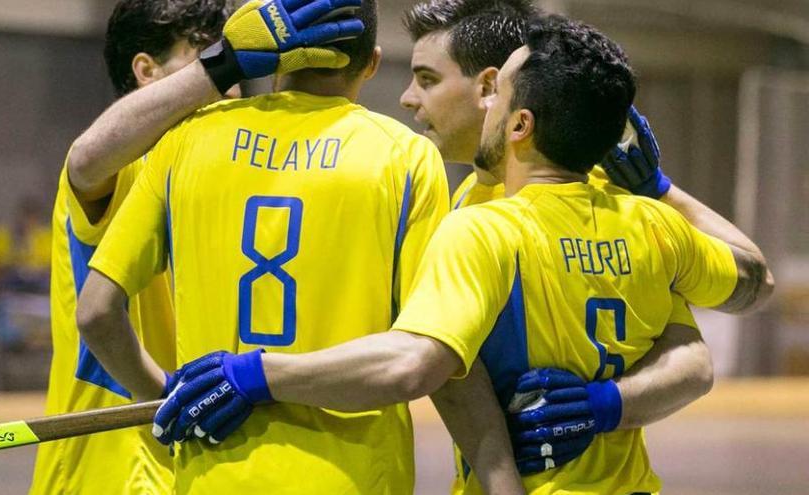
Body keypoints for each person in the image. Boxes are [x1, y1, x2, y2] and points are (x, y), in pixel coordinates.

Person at [148, 12, 773, 495]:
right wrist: (661, 190)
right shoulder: (649, 221)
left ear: (513, 113)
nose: (408, 100)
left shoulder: (481, 227)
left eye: (427, 79)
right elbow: (749, 284)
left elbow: (416, 363)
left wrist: (254, 373)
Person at [75, 0, 468, 493]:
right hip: (354, 477)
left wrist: (169, 398)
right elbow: (416, 358)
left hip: (210, 475)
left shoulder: (186, 140)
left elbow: (95, 312)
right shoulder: (405, 158)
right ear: (371, 63)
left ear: (275, 56)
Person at [398, 0, 768, 487]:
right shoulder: (468, 200)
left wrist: (605, 405)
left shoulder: (587, 193)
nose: (407, 98)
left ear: (493, 90)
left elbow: (693, 360)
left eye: (427, 79)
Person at [31, 0, 353, 492]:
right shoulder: (128, 166)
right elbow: (87, 157)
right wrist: (225, 62)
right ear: (146, 71)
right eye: (208, 53)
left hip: (201, 465)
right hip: (113, 470)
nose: (232, 79)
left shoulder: (226, 175)